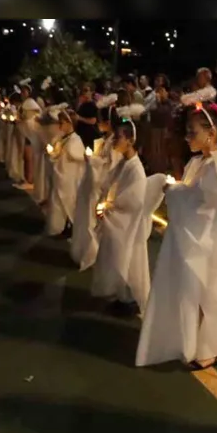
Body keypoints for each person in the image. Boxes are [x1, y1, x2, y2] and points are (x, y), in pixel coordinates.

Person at [136, 102, 217, 370]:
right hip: (189, 236)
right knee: (191, 292)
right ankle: (190, 340)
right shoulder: (198, 162)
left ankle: (208, 347)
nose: (187, 139)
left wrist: (173, 192)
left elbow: (213, 201)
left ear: (211, 134)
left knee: (204, 293)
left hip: (204, 239)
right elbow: (192, 193)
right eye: (186, 133)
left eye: (192, 133)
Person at [90, 116, 151, 316]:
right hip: (117, 220)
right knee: (117, 258)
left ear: (130, 140)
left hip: (128, 226)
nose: (115, 140)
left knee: (127, 260)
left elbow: (134, 201)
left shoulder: (136, 169)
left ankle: (129, 299)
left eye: (118, 137)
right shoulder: (123, 163)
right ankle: (121, 295)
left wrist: (110, 206)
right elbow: (110, 183)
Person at [71, 95, 122, 271]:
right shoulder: (107, 139)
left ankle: (93, 252)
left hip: (100, 184)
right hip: (93, 180)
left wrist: (92, 160)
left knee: (93, 221)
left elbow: (110, 165)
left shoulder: (114, 142)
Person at [45, 107, 86, 238]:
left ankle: (69, 226)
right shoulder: (62, 138)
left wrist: (64, 152)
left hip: (68, 177)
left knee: (68, 202)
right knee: (57, 203)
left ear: (70, 123)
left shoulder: (75, 140)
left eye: (61, 122)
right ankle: (57, 227)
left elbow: (78, 156)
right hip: (60, 175)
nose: (59, 125)